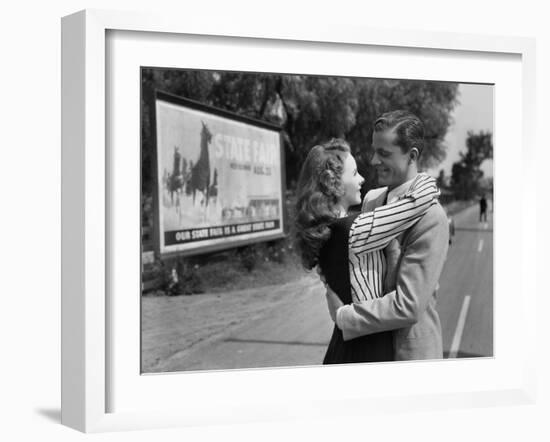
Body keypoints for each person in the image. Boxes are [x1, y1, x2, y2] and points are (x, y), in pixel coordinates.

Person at [293, 138, 440, 364]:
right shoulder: (354, 230)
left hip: (344, 346)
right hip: (367, 350)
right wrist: (421, 175)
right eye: (354, 174)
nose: (362, 179)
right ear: (332, 181)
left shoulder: (325, 231)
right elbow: (416, 202)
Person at [324, 110, 450, 361]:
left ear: (412, 155)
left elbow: (408, 305)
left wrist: (345, 316)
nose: (372, 160)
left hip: (408, 357)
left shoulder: (431, 218)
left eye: (384, 153)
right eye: (374, 151)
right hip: (367, 349)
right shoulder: (371, 200)